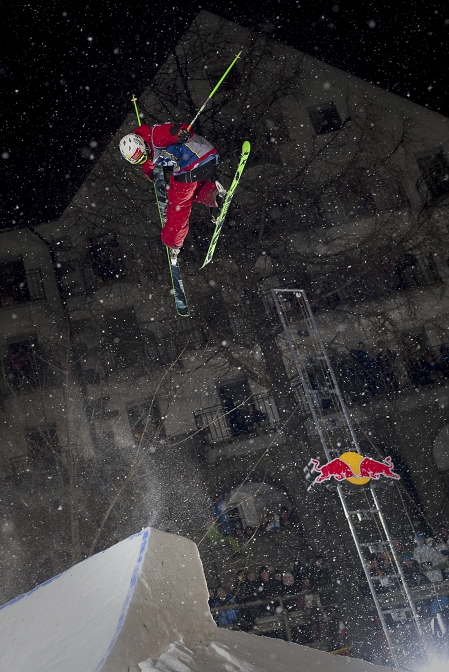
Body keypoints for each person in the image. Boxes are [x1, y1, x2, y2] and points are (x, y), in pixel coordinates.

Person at [119, 123, 226, 261]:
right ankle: (215, 196)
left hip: (194, 161)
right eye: (136, 160)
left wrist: (181, 132)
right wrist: (150, 173)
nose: (142, 158)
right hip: (205, 159)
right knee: (189, 191)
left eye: (140, 155)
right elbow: (150, 160)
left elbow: (170, 131)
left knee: (178, 202)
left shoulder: (155, 135)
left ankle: (173, 241)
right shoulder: (148, 147)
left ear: (140, 143)